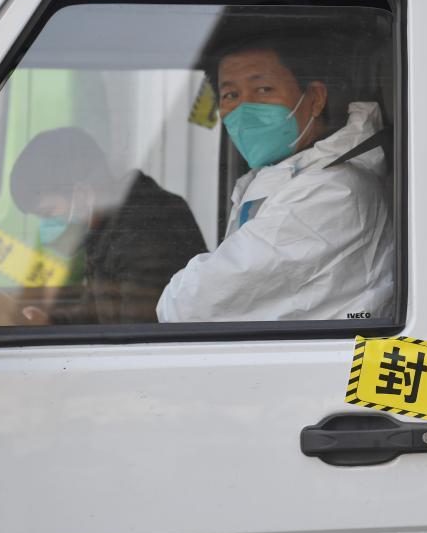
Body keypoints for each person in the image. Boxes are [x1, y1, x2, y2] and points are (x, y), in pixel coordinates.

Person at [156, 38, 394, 322]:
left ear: (315, 98)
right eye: (230, 95)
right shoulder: (281, 179)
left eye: (263, 89)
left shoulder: (332, 191)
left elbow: (192, 306)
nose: (244, 108)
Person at [8, 127, 207, 324]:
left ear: (81, 193)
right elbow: (97, 312)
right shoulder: (106, 229)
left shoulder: (143, 231)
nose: (47, 225)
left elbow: (138, 333)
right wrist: (51, 322)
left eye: (49, 211)